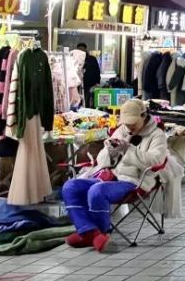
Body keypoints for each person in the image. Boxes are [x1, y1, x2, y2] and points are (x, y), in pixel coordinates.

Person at [62, 99, 168, 252]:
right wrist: (110, 152)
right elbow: (102, 161)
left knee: (97, 191)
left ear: (143, 116)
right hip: (110, 175)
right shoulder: (121, 130)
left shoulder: (157, 135)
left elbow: (155, 162)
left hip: (135, 181)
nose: (129, 126)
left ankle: (102, 231)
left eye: (133, 122)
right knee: (70, 186)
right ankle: (89, 232)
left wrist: (128, 150)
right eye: (127, 122)